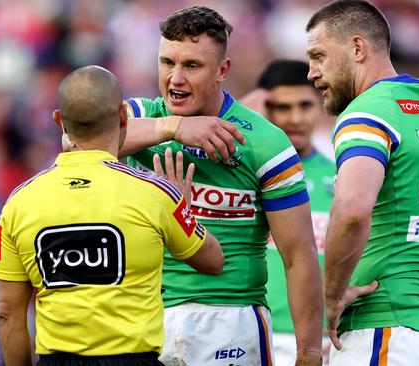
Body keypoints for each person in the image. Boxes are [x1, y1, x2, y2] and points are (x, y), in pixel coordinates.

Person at [121, 6, 324, 365]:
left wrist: (308, 352)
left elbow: (299, 255)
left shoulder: (264, 142)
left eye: (192, 66)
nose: (175, 78)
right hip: (144, 315)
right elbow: (76, 141)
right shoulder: (140, 117)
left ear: (223, 70)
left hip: (230, 318)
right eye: (167, 63)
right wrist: (173, 128)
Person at [0, 65, 224, 366]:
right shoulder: (156, 193)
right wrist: (183, 208)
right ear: (124, 116)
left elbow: (8, 312)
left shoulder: (19, 202)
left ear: (58, 120)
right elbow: (213, 261)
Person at [305, 1, 419, 365]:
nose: (312, 72)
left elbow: (352, 210)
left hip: (384, 330)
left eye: (318, 56)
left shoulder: (367, 111)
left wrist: (332, 295)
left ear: (357, 48)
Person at [241, 60, 334, 365]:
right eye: (282, 107)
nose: (295, 118)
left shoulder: (345, 178)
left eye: (305, 105)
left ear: (320, 106)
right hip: (254, 330)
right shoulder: (241, 175)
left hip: (321, 339)